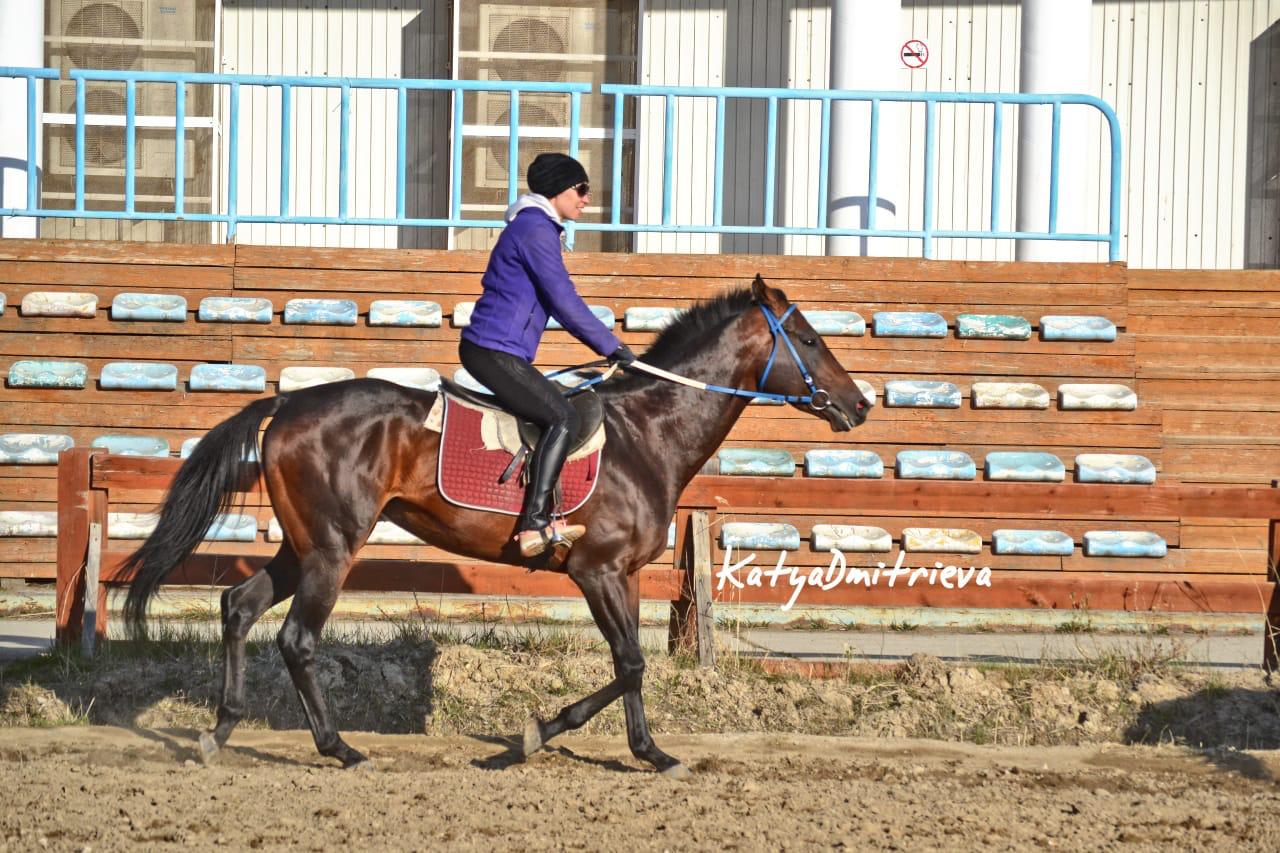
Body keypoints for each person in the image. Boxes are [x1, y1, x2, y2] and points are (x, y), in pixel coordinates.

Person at [459, 152, 636, 557]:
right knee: (562, 415)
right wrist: (615, 349)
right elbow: (564, 301)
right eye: (582, 189)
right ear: (559, 189)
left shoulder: (538, 228)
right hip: (492, 350)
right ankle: (534, 524)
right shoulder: (536, 230)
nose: (587, 199)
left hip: (501, 350)